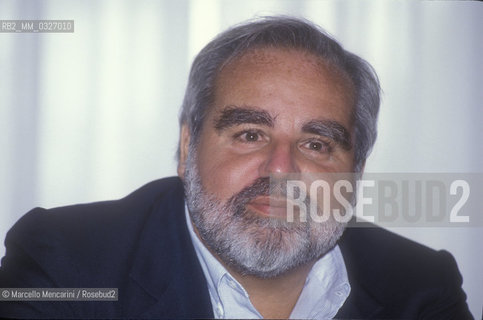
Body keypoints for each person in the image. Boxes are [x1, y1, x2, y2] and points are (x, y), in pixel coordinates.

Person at [0, 16, 473, 319]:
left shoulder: (419, 287)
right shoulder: (67, 266)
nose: (282, 169)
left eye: (316, 143)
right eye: (250, 134)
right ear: (187, 147)